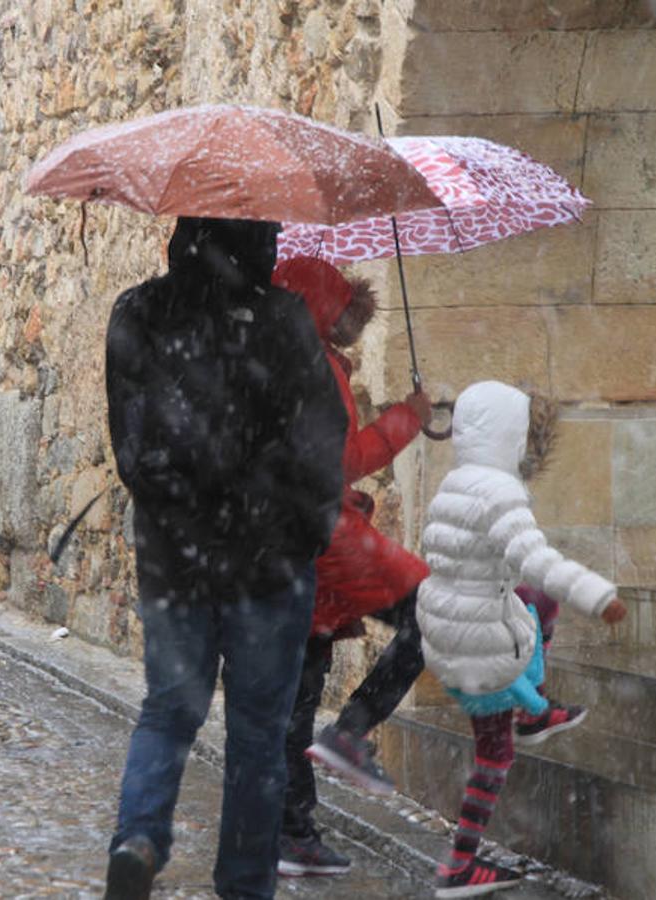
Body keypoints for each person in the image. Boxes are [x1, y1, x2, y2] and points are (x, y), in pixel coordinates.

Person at [102, 217, 348, 900]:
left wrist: (185, 511)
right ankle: (243, 885)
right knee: (258, 736)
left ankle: (139, 838)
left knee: (168, 710)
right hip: (268, 564)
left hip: (175, 561)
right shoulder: (282, 318)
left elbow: (131, 447)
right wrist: (303, 528)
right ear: (260, 244)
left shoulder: (138, 312)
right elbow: (322, 432)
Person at [415, 381, 627, 897]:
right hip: (479, 646)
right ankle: (459, 867)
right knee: (495, 754)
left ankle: (533, 711)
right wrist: (599, 595)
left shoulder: (456, 482)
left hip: (446, 630)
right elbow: (537, 559)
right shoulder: (500, 492)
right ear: (511, 435)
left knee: (538, 603)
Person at [267, 257, 433, 878]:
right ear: (318, 305)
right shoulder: (310, 366)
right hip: (325, 536)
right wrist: (407, 417)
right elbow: (338, 460)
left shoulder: (290, 360)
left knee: (295, 695)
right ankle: (351, 732)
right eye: (339, 304)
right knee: (431, 612)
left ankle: (292, 832)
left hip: (289, 542)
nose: (348, 318)